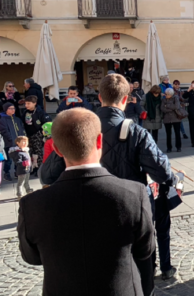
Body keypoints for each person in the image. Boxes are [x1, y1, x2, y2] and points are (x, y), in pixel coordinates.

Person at [18, 108, 155, 295]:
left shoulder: (31, 205)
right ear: (100, 141)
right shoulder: (133, 194)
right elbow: (145, 250)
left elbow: (32, 257)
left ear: (56, 149)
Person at [22, 95, 51, 175]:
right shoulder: (25, 112)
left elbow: (47, 123)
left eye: (28, 103)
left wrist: (44, 135)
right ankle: (32, 168)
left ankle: (39, 169)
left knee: (38, 152)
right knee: (30, 152)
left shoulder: (40, 112)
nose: (26, 105)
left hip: (37, 134)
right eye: (25, 103)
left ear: (34, 103)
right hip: (28, 135)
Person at [1, 102, 26, 181]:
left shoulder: (17, 119)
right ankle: (7, 173)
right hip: (9, 143)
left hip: (19, 143)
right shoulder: (3, 119)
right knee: (9, 160)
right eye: (10, 109)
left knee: (18, 158)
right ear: (6, 110)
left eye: (14, 108)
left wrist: (22, 139)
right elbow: (4, 131)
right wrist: (12, 140)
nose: (13, 110)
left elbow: (21, 129)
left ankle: (17, 172)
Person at [161, 88, 183, 153]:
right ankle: (169, 147)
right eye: (165, 94)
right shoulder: (163, 99)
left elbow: (176, 107)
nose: (166, 95)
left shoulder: (175, 98)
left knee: (177, 133)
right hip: (167, 119)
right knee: (168, 134)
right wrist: (170, 108)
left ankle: (178, 147)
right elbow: (162, 108)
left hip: (176, 118)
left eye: (167, 94)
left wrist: (167, 106)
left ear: (171, 94)